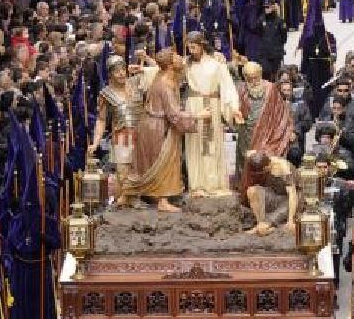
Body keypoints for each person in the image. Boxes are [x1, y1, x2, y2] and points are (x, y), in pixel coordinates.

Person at [122, 48, 197, 212]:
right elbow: (174, 114)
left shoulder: (160, 75)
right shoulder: (166, 84)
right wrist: (197, 116)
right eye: (175, 57)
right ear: (170, 65)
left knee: (147, 162)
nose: (180, 58)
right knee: (164, 161)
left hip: (149, 124)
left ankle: (132, 193)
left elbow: (157, 67)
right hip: (159, 126)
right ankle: (162, 200)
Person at [182, 31, 241, 197]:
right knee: (194, 145)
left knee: (211, 146)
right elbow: (163, 68)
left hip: (212, 106)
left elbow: (228, 88)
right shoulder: (186, 65)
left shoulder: (217, 65)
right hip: (193, 106)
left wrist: (233, 108)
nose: (191, 51)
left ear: (202, 45)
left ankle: (213, 184)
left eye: (194, 47)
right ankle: (197, 184)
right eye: (189, 48)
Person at [88, 54, 153, 199]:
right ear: (110, 74)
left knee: (142, 168)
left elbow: (158, 71)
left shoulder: (136, 82)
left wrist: (144, 64)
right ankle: (125, 200)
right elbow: (101, 120)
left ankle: (139, 198)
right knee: (123, 170)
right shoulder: (105, 94)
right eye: (117, 71)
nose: (121, 73)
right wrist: (95, 142)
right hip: (121, 136)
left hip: (141, 133)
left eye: (123, 69)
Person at [234, 61, 294, 180]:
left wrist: (288, 130)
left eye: (255, 78)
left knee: (264, 157)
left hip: (267, 132)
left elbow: (281, 112)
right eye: (249, 79)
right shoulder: (241, 89)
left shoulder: (270, 89)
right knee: (246, 158)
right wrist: (236, 114)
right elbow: (235, 108)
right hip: (246, 131)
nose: (253, 82)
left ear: (260, 75)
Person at [241, 152, 298, 236]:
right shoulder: (259, 156)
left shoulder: (283, 167)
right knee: (252, 191)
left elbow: (293, 195)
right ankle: (260, 223)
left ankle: (267, 227)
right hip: (274, 195)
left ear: (267, 166)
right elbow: (249, 153)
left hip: (289, 199)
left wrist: (290, 220)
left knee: (271, 221)